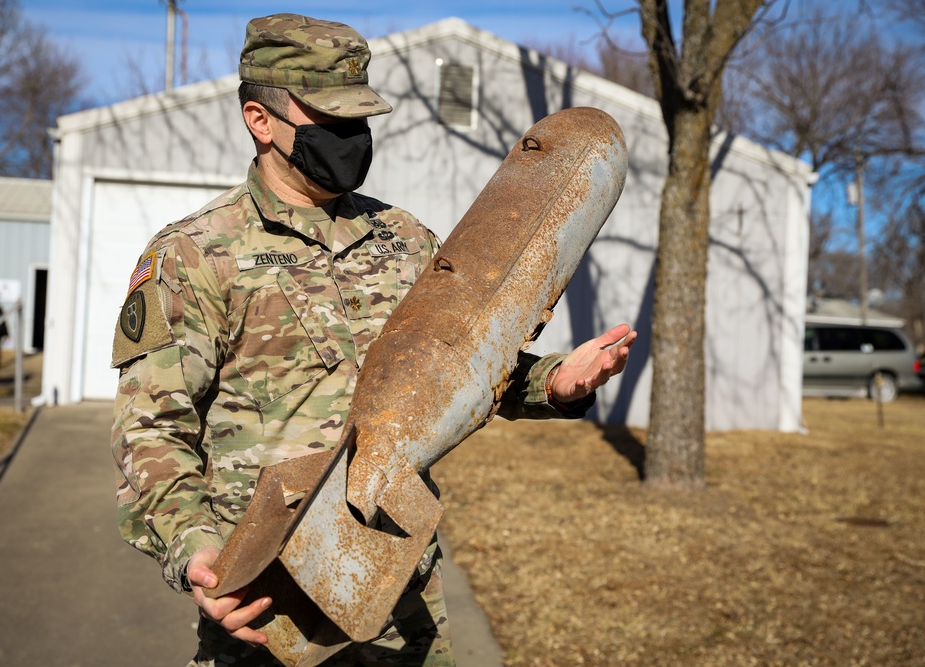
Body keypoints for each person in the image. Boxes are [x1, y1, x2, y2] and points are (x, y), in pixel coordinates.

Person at [110, 13, 638, 667]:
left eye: (359, 120)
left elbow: (456, 368)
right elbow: (150, 431)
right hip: (270, 610)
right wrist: (195, 547)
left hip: (401, 607)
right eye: (332, 122)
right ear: (261, 120)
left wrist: (553, 382)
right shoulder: (193, 252)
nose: (352, 138)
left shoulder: (405, 238)